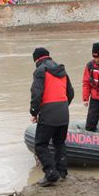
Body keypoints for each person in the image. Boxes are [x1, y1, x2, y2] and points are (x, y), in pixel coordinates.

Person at [30, 47, 74, 186]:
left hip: (49, 112)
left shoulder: (40, 70)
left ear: (36, 59)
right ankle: (62, 171)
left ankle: (51, 173)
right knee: (59, 142)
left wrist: (34, 112)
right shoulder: (62, 70)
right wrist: (62, 107)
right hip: (63, 111)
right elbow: (70, 93)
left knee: (40, 145)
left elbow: (36, 95)